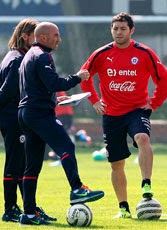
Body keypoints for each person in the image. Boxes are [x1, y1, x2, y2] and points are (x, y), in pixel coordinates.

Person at [80, 12, 167, 219]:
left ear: (131, 30)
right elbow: (84, 75)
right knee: (116, 164)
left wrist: (154, 103)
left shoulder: (144, 53)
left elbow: (164, 79)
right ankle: (123, 208)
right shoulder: (101, 54)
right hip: (111, 115)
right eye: (115, 29)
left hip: (137, 110)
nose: (118, 32)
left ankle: (146, 183)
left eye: (122, 29)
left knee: (143, 138)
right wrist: (94, 99)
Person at [18, 22, 104, 225]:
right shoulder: (42, 55)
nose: (59, 39)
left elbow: (37, 87)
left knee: (32, 166)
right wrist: (78, 77)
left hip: (27, 113)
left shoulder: (29, 55)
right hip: (39, 114)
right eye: (56, 35)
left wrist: (54, 100)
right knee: (66, 146)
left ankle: (28, 214)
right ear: (45, 37)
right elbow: (54, 83)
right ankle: (77, 189)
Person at [0, 18, 57, 223]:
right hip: (14, 119)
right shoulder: (17, 59)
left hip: (16, 118)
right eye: (37, 36)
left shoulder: (20, 56)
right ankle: (10, 208)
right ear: (25, 36)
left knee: (23, 164)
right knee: (15, 163)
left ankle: (29, 208)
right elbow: (6, 92)